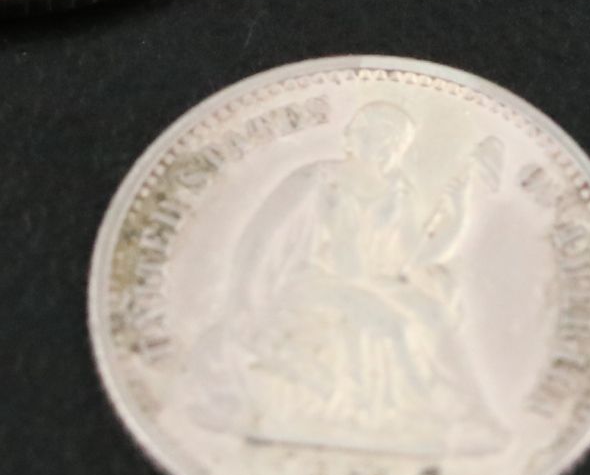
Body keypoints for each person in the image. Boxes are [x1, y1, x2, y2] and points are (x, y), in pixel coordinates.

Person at [191, 104, 507, 455]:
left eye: (396, 142)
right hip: (306, 283)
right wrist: (244, 302)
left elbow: (408, 261)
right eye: (378, 136)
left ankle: (467, 412)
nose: (387, 148)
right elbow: (261, 240)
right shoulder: (314, 180)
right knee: (392, 325)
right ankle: (407, 415)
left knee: (433, 313)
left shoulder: (397, 190)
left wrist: (457, 210)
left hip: (364, 281)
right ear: (352, 137)